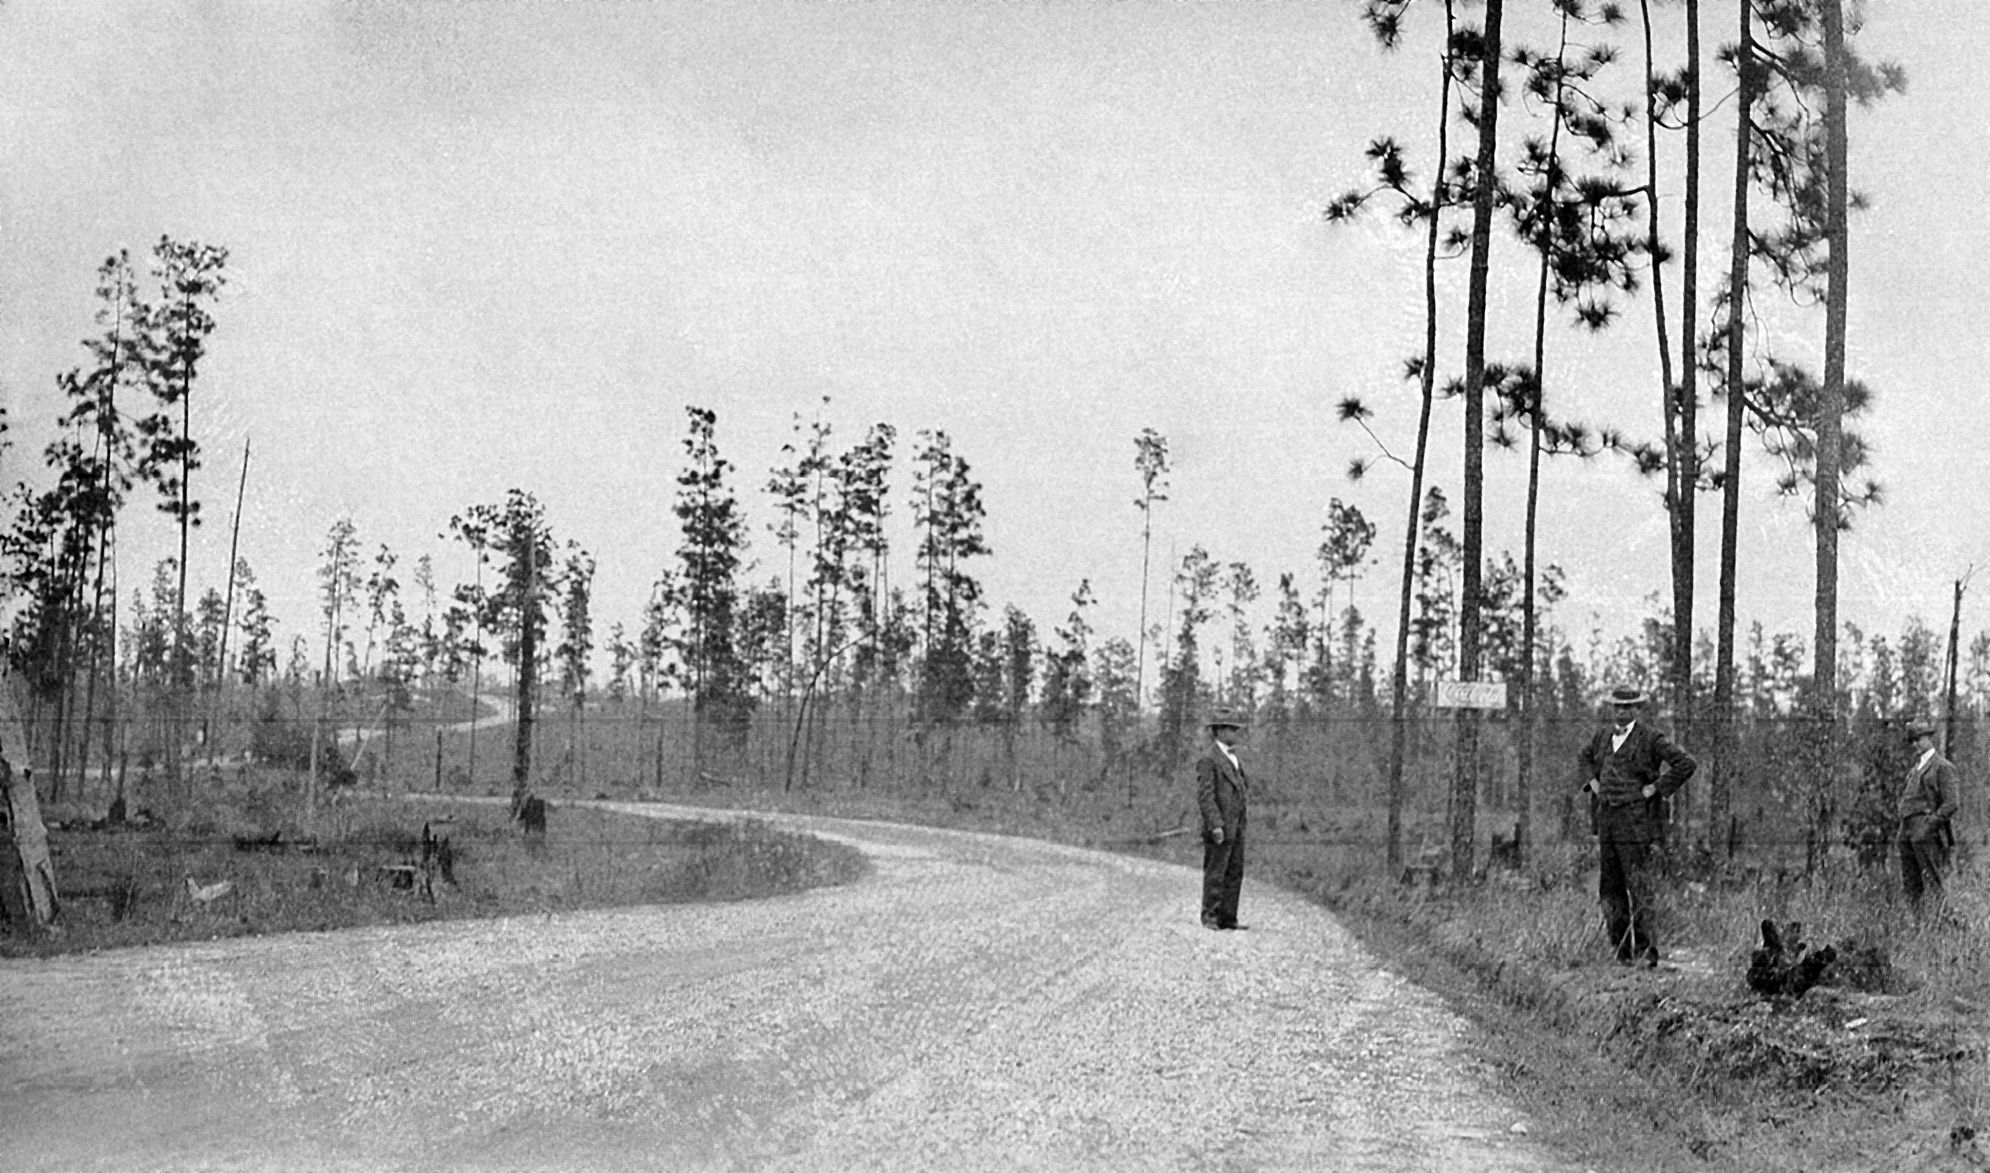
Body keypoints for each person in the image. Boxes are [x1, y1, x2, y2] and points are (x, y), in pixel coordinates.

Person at [1577, 685, 1697, 966]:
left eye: (1627, 707)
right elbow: (1584, 758)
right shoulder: (1602, 736)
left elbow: (1686, 763)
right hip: (1607, 822)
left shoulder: (1651, 738)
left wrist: (1656, 788)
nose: (1621, 712)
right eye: (1618, 707)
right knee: (1610, 889)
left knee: (1640, 886)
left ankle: (1646, 953)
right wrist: (1593, 783)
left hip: (1636, 824)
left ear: (1637, 709)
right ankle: (1621, 952)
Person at [1195, 706, 1250, 931]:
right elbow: (1205, 796)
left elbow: (1242, 788)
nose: (1235, 733)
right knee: (1216, 872)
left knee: (1235, 870)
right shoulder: (1209, 759)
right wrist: (1215, 824)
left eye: (1235, 729)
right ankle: (1210, 916)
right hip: (1220, 826)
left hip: (1237, 825)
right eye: (1231, 729)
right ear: (1219, 731)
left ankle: (1228, 917)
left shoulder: (1233, 758)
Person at [1897, 719, 1959, 908]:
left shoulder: (1942, 767)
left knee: (1934, 882)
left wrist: (1929, 825)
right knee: (1911, 885)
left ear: (1928, 737)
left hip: (1926, 833)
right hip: (1906, 832)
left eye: (1918, 739)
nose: (1915, 744)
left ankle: (1946, 921)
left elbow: (1951, 803)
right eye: (1912, 741)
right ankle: (1918, 923)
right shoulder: (1914, 770)